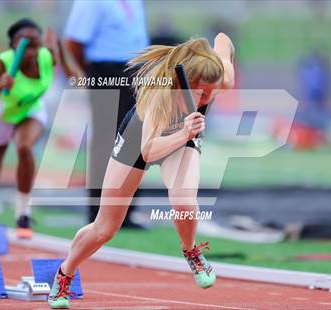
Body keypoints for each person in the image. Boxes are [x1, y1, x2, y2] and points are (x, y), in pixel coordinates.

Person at [47, 33, 235, 309]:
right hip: (140, 140)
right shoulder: (160, 96)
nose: (207, 99)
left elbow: (223, 40)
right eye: (200, 93)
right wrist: (184, 132)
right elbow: (148, 151)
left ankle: (190, 250)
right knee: (105, 228)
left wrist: (222, 51)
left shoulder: (219, 80)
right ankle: (66, 272)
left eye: (211, 92)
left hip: (184, 137)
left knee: (184, 202)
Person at [0, 18, 73, 257]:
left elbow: (74, 77)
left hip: (29, 111)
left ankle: (23, 215)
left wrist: (58, 49)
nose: (33, 52)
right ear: (14, 46)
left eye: (37, 45)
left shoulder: (46, 56)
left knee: (24, 147)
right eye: (28, 47)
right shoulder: (2, 64)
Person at [64, 0, 149, 228]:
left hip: (137, 71)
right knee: (106, 141)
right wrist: (88, 75)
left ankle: (126, 213)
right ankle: (98, 213)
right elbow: (73, 42)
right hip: (107, 71)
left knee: (135, 140)